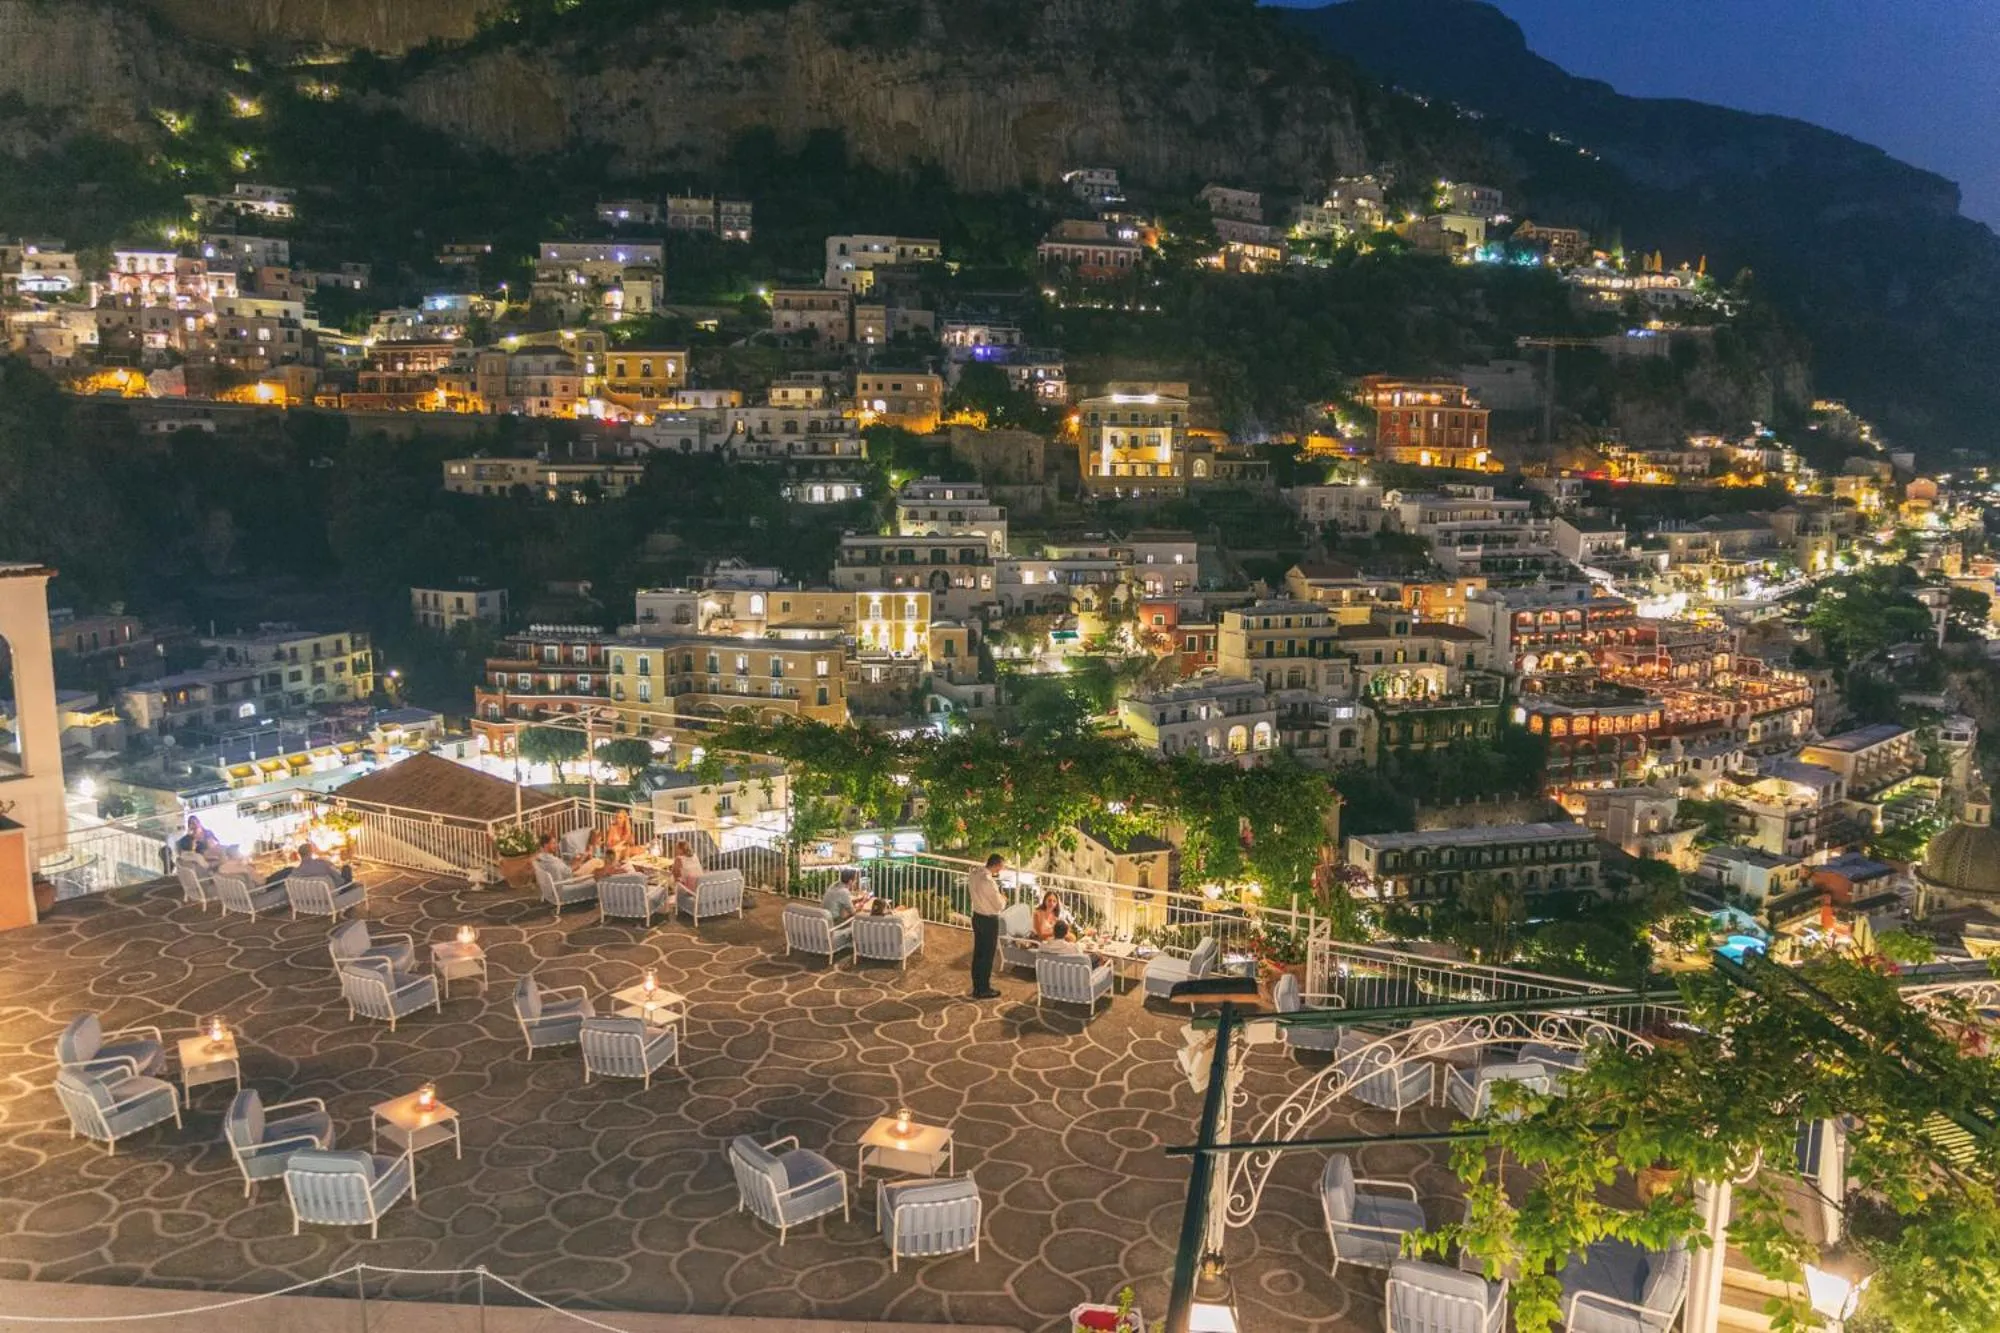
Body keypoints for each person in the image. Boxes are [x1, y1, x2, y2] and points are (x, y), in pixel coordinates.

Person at [967, 852, 1005, 999]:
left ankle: (977, 985)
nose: (1001, 870)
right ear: (996, 865)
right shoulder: (988, 881)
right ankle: (984, 988)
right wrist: (1003, 898)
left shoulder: (974, 874)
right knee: (987, 955)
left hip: (977, 917)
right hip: (988, 920)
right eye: (1001, 866)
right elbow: (999, 905)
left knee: (978, 953)